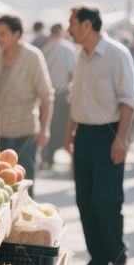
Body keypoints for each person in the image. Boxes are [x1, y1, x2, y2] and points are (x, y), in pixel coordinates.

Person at [64, 4, 134, 265]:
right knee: (85, 200)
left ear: (86, 25)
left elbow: (129, 100)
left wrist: (122, 138)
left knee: (106, 200)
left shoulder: (117, 54)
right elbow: (75, 97)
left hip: (109, 135)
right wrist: (69, 133)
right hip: (83, 134)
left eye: (71, 22)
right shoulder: (81, 55)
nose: (68, 27)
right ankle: (97, 261)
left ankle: (118, 256)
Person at [0, 14, 53, 192]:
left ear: (17, 34)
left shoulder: (33, 56)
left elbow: (46, 96)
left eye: (3, 34)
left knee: (24, 184)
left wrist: (44, 129)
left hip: (25, 132)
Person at [41, 23, 76, 169]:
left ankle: (48, 157)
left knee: (50, 125)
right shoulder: (68, 48)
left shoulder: (46, 48)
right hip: (63, 93)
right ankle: (68, 155)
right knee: (63, 126)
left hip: (48, 92)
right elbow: (72, 72)